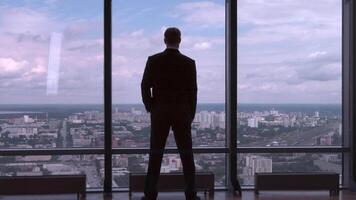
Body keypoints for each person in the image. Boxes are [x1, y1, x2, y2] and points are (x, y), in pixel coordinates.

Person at [141, 27, 199, 200]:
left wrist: (151, 106)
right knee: (187, 154)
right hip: (182, 112)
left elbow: (145, 86)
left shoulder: (153, 60)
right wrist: (190, 113)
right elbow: (193, 91)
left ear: (164, 40)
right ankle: (190, 194)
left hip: (160, 112)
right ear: (179, 40)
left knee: (156, 153)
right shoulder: (189, 63)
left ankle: (150, 194)